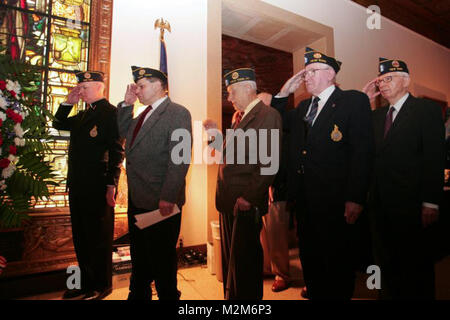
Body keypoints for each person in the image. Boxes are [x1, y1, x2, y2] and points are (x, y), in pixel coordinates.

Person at [271, 47, 374, 299]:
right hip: (305, 201)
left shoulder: (353, 101)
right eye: (305, 73)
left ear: (330, 74)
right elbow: (277, 120)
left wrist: (356, 197)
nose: (306, 77)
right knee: (311, 260)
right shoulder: (304, 106)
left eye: (312, 71)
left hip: (336, 201)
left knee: (337, 263)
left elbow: (362, 152)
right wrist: (285, 92)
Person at [363, 58, 445, 299]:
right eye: (380, 80)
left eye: (389, 78)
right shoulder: (377, 116)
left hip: (411, 204)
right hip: (379, 205)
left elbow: (434, 157)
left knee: (415, 266)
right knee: (385, 263)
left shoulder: (425, 110)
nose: (383, 84)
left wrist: (431, 201)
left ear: (406, 81)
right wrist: (365, 100)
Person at [205, 68, 282, 300]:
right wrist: (214, 135)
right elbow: (233, 155)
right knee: (232, 262)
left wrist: (249, 196)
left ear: (249, 88)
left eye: (232, 92)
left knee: (246, 263)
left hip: (245, 202)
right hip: (229, 201)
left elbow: (269, 163)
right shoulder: (239, 117)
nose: (229, 98)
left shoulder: (267, 115)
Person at [117, 66, 192, 300]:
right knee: (140, 254)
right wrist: (127, 105)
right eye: (136, 87)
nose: (137, 90)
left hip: (161, 201)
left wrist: (168, 196)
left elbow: (179, 159)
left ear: (159, 85)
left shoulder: (178, 113)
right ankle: (138, 293)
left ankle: (168, 296)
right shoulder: (141, 115)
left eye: (141, 86)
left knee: (162, 259)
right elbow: (121, 133)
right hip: (138, 197)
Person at [53, 71, 125, 300]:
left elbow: (116, 151)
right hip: (77, 185)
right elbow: (58, 124)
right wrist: (67, 103)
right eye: (79, 87)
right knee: (81, 238)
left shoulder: (111, 114)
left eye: (84, 88)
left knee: (98, 239)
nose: (80, 91)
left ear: (99, 87)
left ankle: (102, 286)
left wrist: (111, 185)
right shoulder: (84, 115)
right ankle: (84, 284)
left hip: (98, 186)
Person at [257, 92, 291, 293]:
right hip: (259, 188)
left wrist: (271, 184)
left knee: (276, 233)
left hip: (277, 188)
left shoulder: (282, 127)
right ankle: (267, 268)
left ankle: (282, 274)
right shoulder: (257, 126)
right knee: (263, 232)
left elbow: (281, 161)